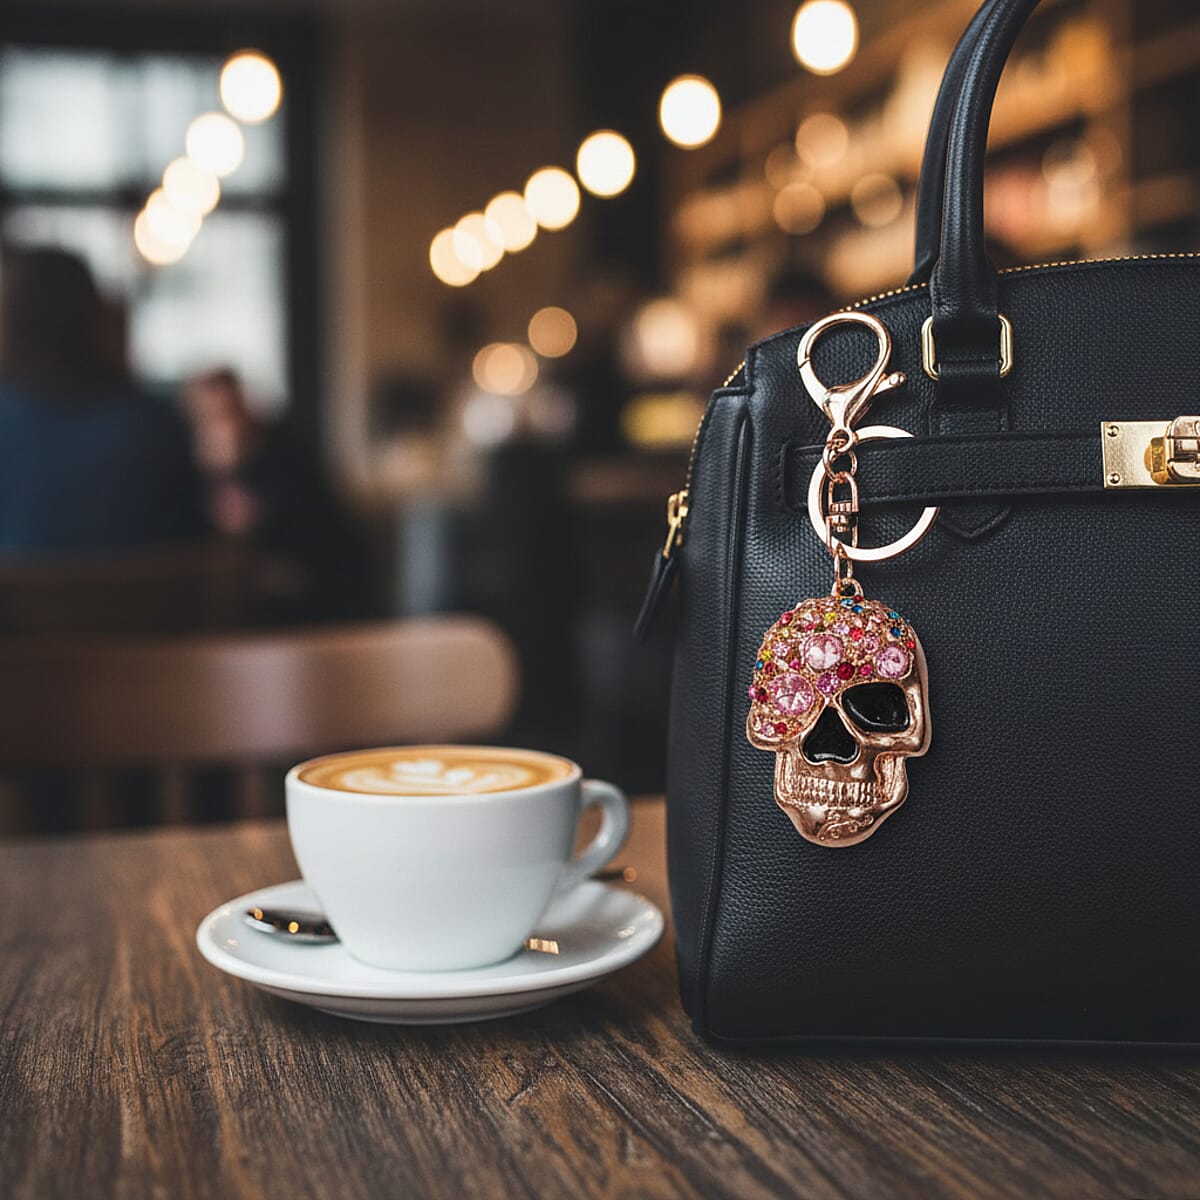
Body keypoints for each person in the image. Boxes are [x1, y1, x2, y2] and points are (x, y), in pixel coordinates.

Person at [0, 245, 206, 552]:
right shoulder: (157, 426)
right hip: (144, 601)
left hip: (18, 600)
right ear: (97, 318)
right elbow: (192, 545)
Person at [181, 367, 371, 622]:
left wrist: (232, 471)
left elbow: (301, 531)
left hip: (319, 577)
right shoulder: (190, 466)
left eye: (230, 411)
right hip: (257, 582)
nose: (225, 425)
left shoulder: (284, 452)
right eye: (211, 417)